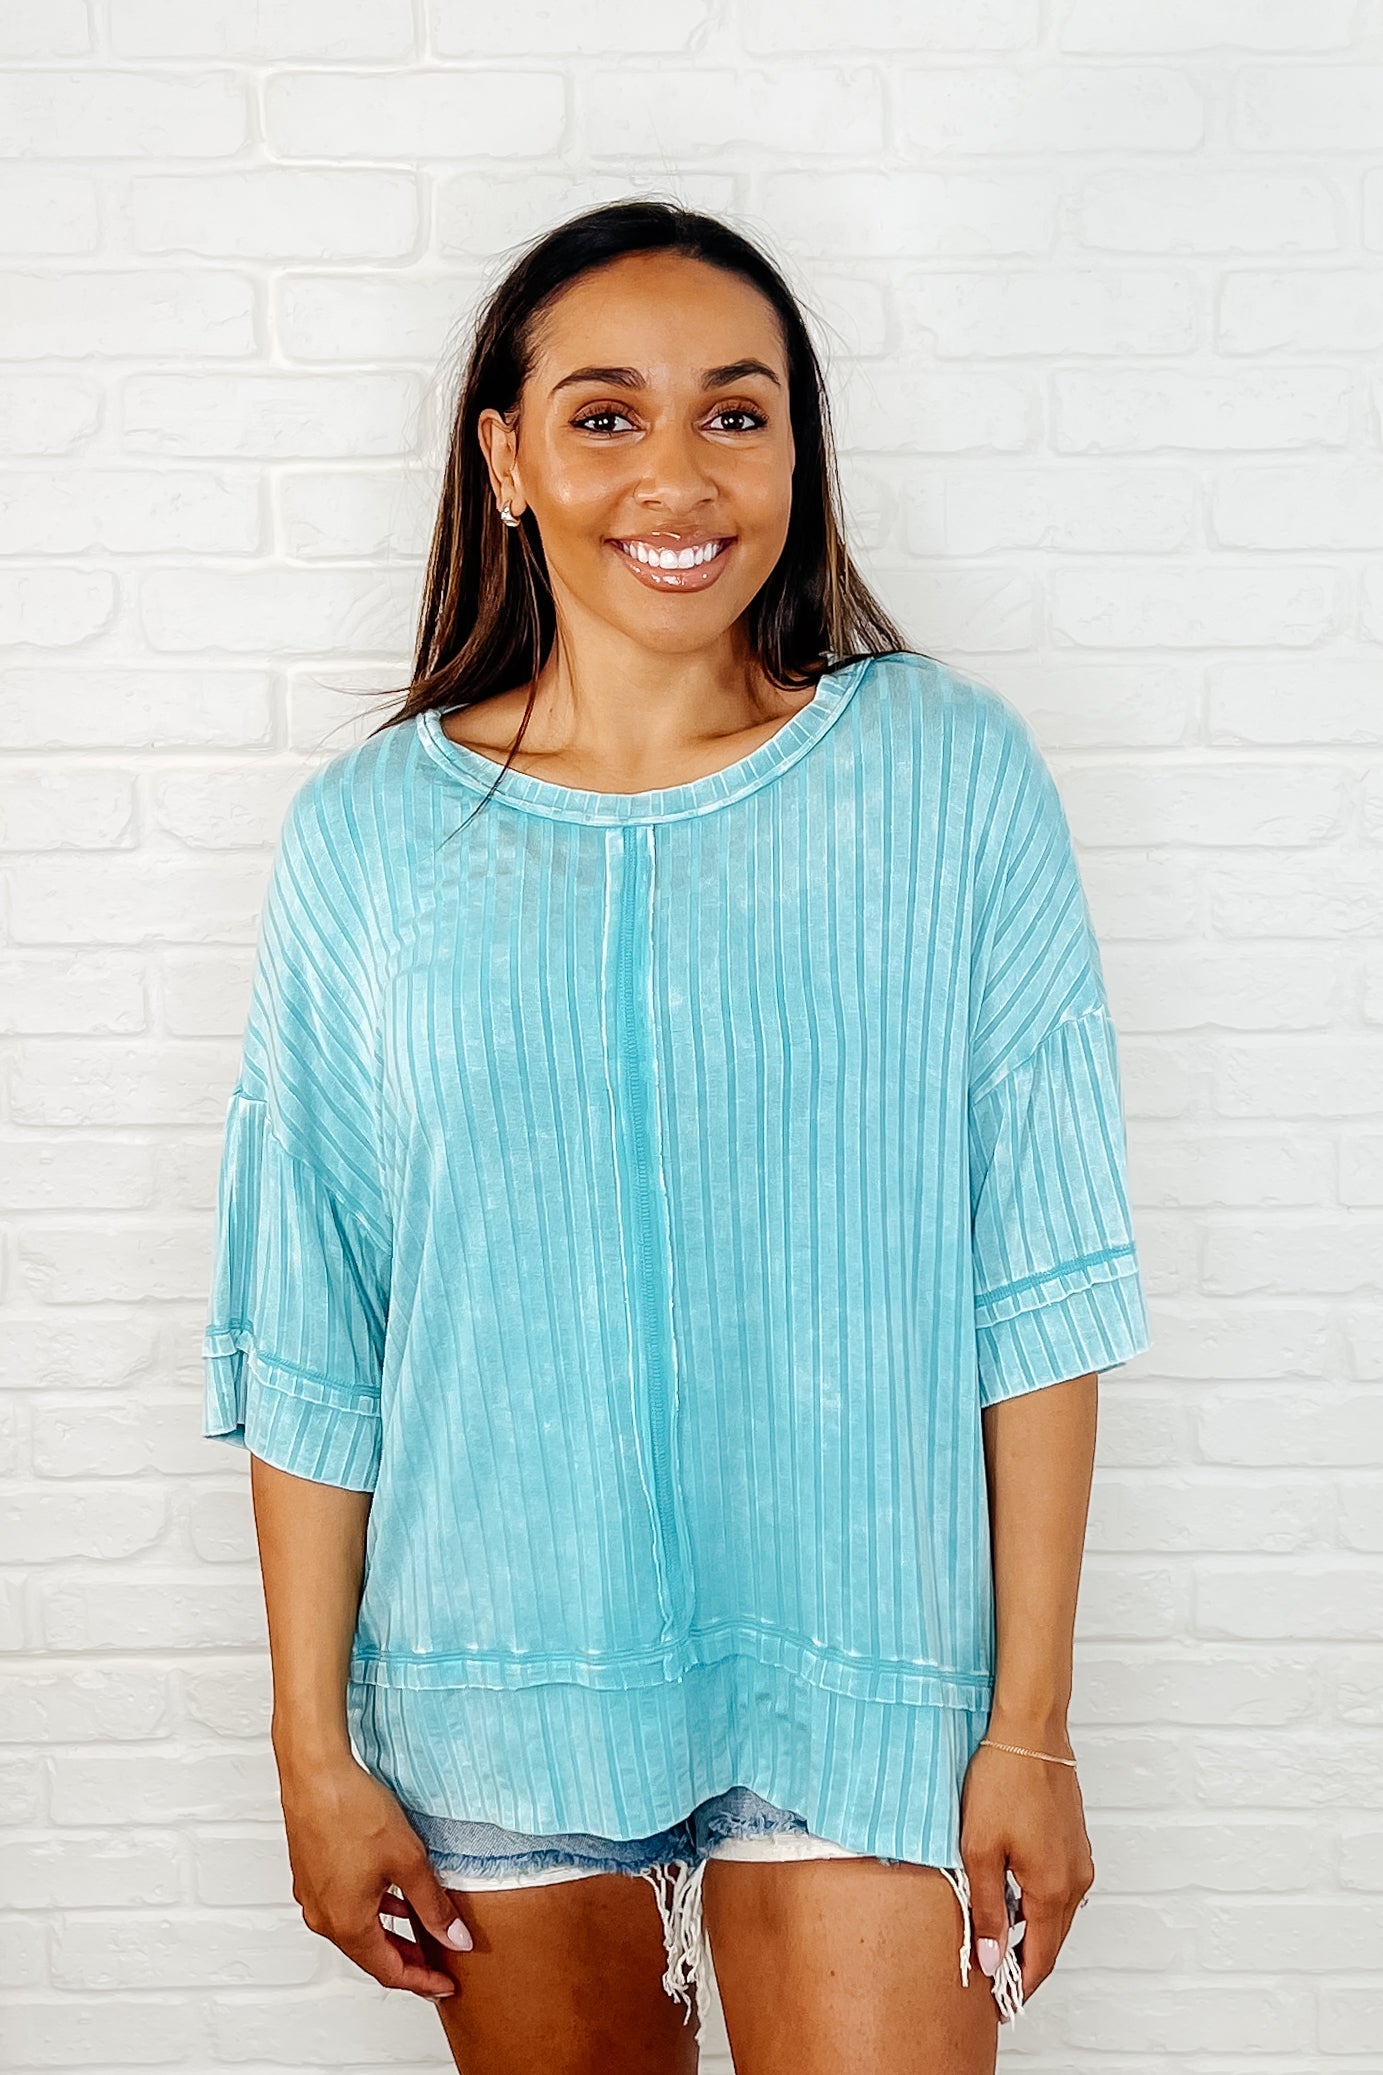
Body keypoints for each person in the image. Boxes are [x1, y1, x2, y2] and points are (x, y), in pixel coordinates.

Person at [202, 198, 1150, 2075]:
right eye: (606, 415)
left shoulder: (946, 778)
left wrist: (1030, 1726)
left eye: (735, 412)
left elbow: (1040, 1282)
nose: (678, 475)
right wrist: (312, 1754)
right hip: (494, 1692)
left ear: (798, 447)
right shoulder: (368, 843)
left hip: (868, 1677)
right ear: (506, 458)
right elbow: (317, 1327)